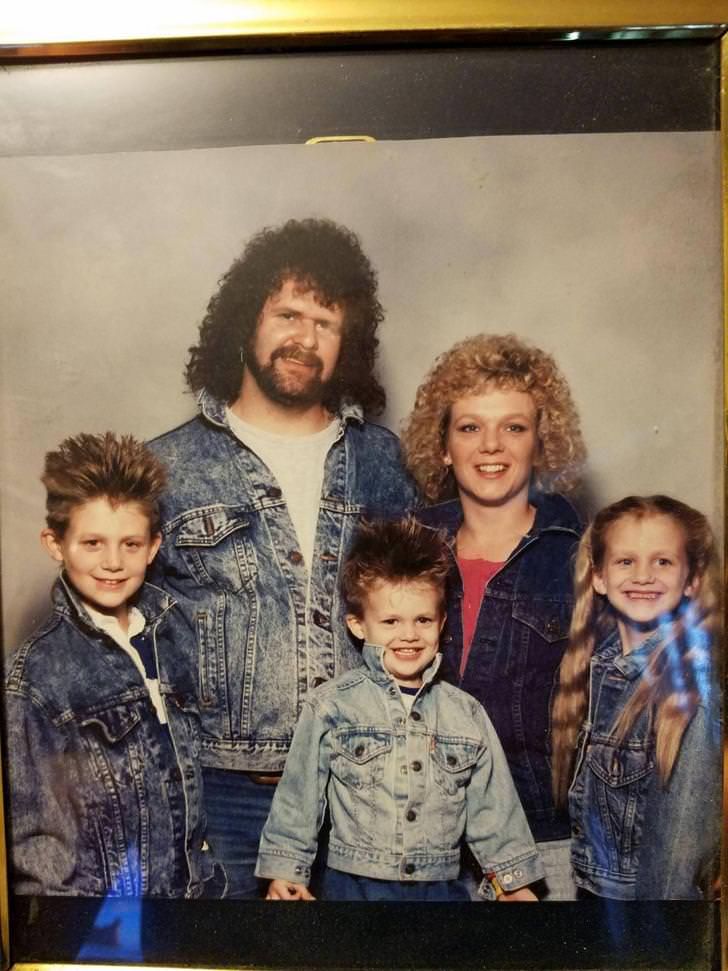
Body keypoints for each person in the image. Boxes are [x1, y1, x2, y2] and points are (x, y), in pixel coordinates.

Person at [149, 218, 416, 896]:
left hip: (370, 785)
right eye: (288, 313)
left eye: (326, 322)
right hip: (231, 800)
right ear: (246, 320)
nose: (305, 337)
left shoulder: (382, 461)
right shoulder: (168, 466)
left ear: (346, 341)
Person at [256, 517, 543, 902]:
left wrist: (513, 880)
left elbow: (494, 807)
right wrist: (285, 869)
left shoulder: (467, 714)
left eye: (422, 620)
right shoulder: (331, 705)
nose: (408, 634)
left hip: (441, 889)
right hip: (353, 887)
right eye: (390, 621)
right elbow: (299, 798)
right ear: (358, 625)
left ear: (441, 623)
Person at [401, 333, 586, 899]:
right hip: (415, 841)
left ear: (542, 444)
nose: (491, 445)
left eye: (514, 427)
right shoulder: (405, 548)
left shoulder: (580, 555)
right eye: (469, 427)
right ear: (442, 447)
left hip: (539, 842)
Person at [4, 432, 218, 897]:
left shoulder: (173, 635)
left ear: (154, 545)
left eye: (131, 544)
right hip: (106, 926)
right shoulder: (35, 680)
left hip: (196, 904)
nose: (114, 563)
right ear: (55, 543)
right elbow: (39, 854)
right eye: (93, 543)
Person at [551, 495, 720, 899]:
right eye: (626, 561)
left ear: (692, 579)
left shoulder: (691, 697)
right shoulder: (596, 668)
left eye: (663, 561)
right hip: (594, 899)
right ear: (599, 576)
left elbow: (676, 865)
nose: (643, 576)